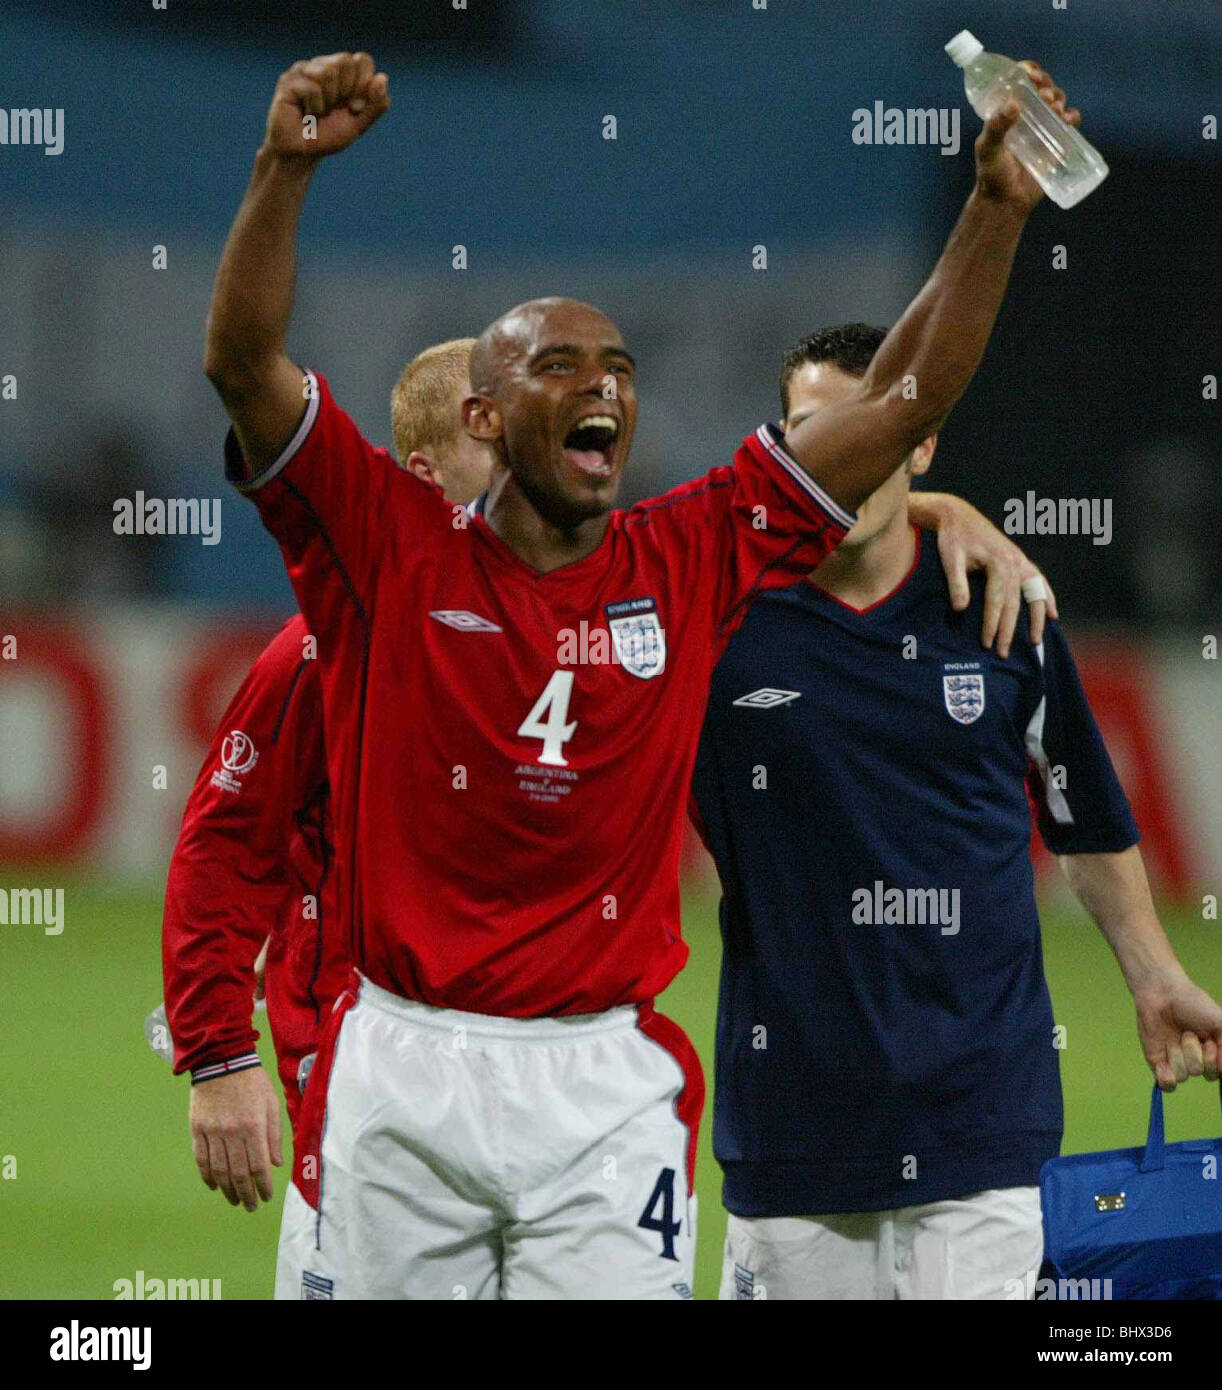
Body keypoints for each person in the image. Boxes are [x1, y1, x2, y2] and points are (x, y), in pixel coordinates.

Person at [202, 49, 1079, 1299]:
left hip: (604, 1083)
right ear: (487, 419)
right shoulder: (384, 543)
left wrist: (994, 207)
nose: (602, 379)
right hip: (404, 1057)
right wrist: (283, 168)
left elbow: (904, 395)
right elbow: (243, 363)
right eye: (558, 364)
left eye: (615, 363)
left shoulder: (692, 549)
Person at [690, 323, 1222, 1301]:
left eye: (873, 432)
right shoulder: (717, 621)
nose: (843, 461)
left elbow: (1084, 820)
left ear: (921, 440)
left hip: (984, 1140)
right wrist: (935, 506)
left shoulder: (1005, 608)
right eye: (817, 435)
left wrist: (1153, 977)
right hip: (793, 1146)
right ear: (779, 449)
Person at [159, 341, 488, 1209]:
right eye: (486, 431)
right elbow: (225, 847)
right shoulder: (326, 653)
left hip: (553, 1101)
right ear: (427, 475)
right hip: (362, 1101)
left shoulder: (584, 632)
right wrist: (221, 1055)